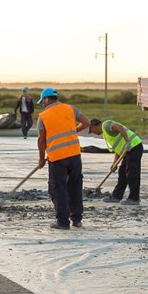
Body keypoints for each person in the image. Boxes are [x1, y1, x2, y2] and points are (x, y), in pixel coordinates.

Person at [36, 88, 90, 230]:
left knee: (58, 188)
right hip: (75, 155)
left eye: (43, 101)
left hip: (57, 157)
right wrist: (72, 131)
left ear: (47, 99)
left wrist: (41, 159)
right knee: (75, 187)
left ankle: (63, 222)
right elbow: (86, 122)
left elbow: (42, 140)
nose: (43, 104)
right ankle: (77, 220)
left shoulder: (43, 115)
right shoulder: (70, 108)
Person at [88, 118, 143, 205]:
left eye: (92, 130)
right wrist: (114, 164)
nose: (93, 133)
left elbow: (119, 127)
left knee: (132, 173)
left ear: (94, 126)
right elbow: (117, 149)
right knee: (122, 173)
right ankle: (117, 196)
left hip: (134, 147)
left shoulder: (106, 125)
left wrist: (127, 142)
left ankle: (134, 198)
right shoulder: (106, 135)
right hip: (127, 151)